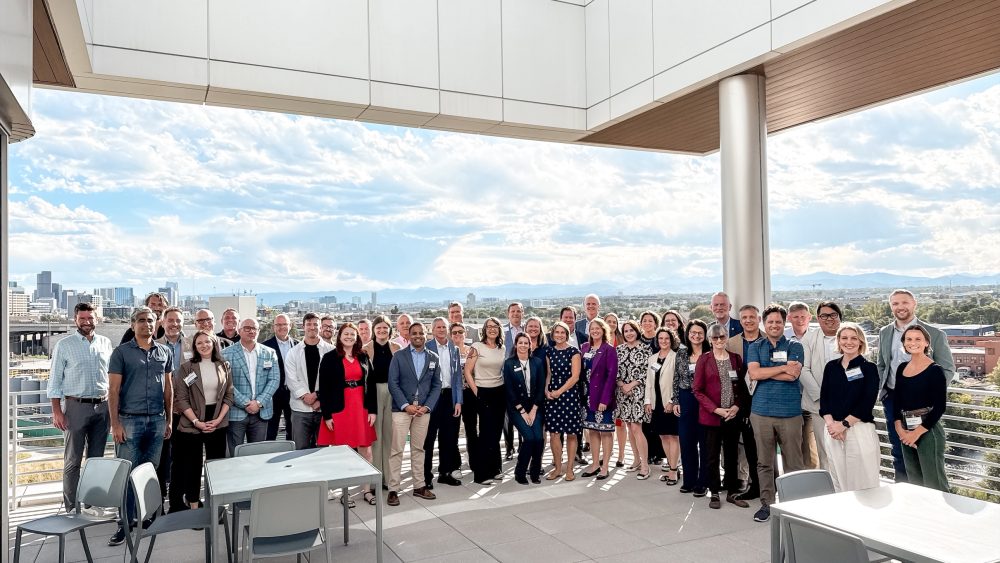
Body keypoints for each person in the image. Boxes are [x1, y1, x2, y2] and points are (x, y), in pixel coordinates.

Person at [107, 307, 174, 546]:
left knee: (150, 472)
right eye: (142, 321)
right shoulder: (121, 353)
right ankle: (124, 523)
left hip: (156, 420)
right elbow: (113, 390)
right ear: (133, 325)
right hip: (129, 420)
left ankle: (145, 518)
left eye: (151, 321)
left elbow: (169, 388)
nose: (147, 324)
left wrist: (169, 420)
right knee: (127, 474)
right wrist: (115, 423)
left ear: (157, 325)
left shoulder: (165, 352)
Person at [876, 289, 954, 483]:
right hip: (893, 400)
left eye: (905, 302)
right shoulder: (885, 332)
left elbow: (947, 369)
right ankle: (905, 497)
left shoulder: (934, 334)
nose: (900, 307)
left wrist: (929, 395)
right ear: (891, 306)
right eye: (895, 304)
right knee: (899, 451)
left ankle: (931, 501)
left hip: (922, 406)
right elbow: (882, 365)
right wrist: (883, 393)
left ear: (914, 304)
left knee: (927, 454)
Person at [48, 302, 113, 512]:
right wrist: (57, 411)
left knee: (96, 460)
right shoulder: (64, 345)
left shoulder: (105, 343)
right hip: (75, 407)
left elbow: (111, 378)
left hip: (102, 408)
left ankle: (92, 504)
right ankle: (72, 508)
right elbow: (54, 381)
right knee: (73, 461)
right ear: (75, 320)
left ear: (97, 319)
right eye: (82, 318)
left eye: (90, 318)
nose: (87, 322)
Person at [747, 303, 806, 523]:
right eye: (770, 321)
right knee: (764, 462)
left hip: (790, 412)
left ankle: (794, 505)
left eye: (778, 322)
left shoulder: (795, 346)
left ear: (784, 323)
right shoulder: (755, 346)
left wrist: (765, 371)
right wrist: (781, 367)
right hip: (761, 411)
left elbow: (793, 376)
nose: (774, 325)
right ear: (764, 323)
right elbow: (753, 373)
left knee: (794, 462)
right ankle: (767, 504)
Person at [171, 331, 233, 511]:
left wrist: (219, 419)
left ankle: (216, 506)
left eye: (207, 342)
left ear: (214, 343)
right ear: (195, 347)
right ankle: (194, 505)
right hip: (192, 420)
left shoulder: (224, 365)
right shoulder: (186, 367)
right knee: (193, 466)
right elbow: (181, 399)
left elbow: (229, 395)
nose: (204, 345)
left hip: (217, 420)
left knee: (216, 465)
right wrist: (196, 421)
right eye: (199, 343)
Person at [318, 323, 378, 505]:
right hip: (339, 410)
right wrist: (327, 415)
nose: (349, 337)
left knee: (366, 450)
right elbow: (324, 389)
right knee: (342, 453)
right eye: (346, 333)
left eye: (353, 334)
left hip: (361, 408)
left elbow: (372, 384)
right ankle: (346, 493)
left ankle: (367, 491)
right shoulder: (329, 358)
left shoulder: (363, 356)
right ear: (340, 336)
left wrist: (373, 410)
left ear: (357, 336)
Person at [693, 324, 752, 510]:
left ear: (726, 338)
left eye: (722, 337)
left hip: (732, 416)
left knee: (732, 454)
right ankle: (715, 492)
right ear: (710, 340)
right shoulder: (704, 360)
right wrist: (715, 409)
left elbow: (742, 388)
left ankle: (732, 492)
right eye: (715, 338)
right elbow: (697, 390)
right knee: (711, 455)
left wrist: (736, 407)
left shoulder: (735, 359)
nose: (719, 340)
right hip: (712, 417)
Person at [819, 323, 880, 492]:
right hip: (832, 430)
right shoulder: (831, 367)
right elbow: (824, 400)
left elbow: (867, 403)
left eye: (854, 338)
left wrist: (844, 425)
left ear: (861, 341)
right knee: (838, 481)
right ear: (838, 341)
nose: (849, 342)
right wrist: (832, 426)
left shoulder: (869, 368)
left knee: (863, 482)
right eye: (844, 338)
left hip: (858, 429)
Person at [386, 322, 441, 505]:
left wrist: (427, 406)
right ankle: (393, 489)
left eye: (421, 333)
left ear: (426, 335)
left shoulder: (433, 357)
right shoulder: (399, 357)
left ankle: (419, 485)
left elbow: (436, 385)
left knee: (419, 449)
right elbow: (393, 383)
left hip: (423, 411)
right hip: (401, 410)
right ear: (408, 336)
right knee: (397, 450)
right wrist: (404, 405)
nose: (417, 336)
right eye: (414, 333)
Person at [894, 324, 949, 492]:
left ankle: (944, 518)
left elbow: (940, 407)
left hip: (927, 431)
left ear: (926, 343)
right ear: (904, 343)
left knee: (935, 484)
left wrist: (916, 433)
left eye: (918, 339)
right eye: (909, 339)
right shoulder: (901, 368)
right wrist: (901, 431)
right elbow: (897, 401)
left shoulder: (935, 371)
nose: (913, 342)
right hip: (905, 430)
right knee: (915, 483)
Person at [222, 318, 280, 454]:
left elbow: (274, 379)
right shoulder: (226, 354)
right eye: (247, 328)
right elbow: (225, 383)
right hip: (236, 412)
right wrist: (245, 403)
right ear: (239, 331)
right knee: (235, 454)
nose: (251, 331)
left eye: (255, 328)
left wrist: (259, 402)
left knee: (258, 454)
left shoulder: (269, 353)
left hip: (261, 412)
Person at [800, 301, 844, 472]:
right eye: (824, 315)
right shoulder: (809, 338)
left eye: (833, 315)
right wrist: (821, 397)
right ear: (818, 319)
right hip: (818, 404)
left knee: (847, 447)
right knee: (824, 449)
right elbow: (803, 369)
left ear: (839, 317)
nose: (829, 319)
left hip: (847, 404)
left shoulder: (848, 335)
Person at [464, 317, 507, 485]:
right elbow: (468, 371)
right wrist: (477, 392)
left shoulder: (501, 348)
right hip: (483, 392)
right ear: (484, 329)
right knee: (485, 434)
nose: (492, 329)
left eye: (495, 326)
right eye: (489, 327)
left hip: (499, 391)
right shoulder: (476, 347)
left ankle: (495, 468)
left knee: (496, 433)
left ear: (499, 330)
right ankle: (481, 474)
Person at [155, 307, 191, 508]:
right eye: (170, 320)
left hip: (185, 411)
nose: (174, 324)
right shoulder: (154, 345)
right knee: (160, 458)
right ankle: (157, 502)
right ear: (162, 322)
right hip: (161, 410)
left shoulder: (192, 344)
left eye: (178, 320)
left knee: (181, 459)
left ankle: (177, 501)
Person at [424, 317, 464, 487]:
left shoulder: (453, 349)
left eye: (443, 327)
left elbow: (456, 378)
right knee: (429, 438)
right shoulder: (425, 348)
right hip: (432, 398)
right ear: (432, 330)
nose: (441, 330)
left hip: (449, 397)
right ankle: (426, 476)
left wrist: (458, 401)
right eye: (438, 327)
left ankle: (445, 473)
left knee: (448, 438)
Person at [361, 316, 401, 488]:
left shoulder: (397, 348)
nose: (382, 331)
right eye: (379, 328)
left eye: (385, 328)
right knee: (375, 436)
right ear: (374, 330)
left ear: (390, 330)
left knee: (389, 436)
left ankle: (388, 478)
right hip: (374, 392)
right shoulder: (365, 349)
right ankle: (375, 476)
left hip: (393, 392)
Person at [285, 313, 335, 450]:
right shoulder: (293, 352)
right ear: (303, 327)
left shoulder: (332, 351)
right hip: (300, 410)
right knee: (300, 449)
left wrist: (318, 397)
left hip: (323, 409)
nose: (312, 327)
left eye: (315, 324)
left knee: (323, 450)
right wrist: (306, 397)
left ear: (320, 327)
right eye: (309, 324)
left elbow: (334, 380)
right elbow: (291, 379)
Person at [503, 333, 547, 484]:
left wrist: (534, 410)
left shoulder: (537, 362)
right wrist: (522, 411)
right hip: (517, 408)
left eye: (525, 343)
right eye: (520, 343)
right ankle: (520, 472)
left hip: (535, 406)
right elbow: (509, 390)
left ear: (530, 345)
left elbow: (541, 387)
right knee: (529, 439)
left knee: (539, 439)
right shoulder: (509, 364)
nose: (523, 345)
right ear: (516, 345)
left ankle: (535, 473)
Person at [544, 321, 583, 481]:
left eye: (562, 332)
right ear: (552, 334)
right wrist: (547, 390)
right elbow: (549, 374)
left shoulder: (574, 352)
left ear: (567, 334)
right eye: (557, 332)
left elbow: (575, 377)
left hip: (569, 395)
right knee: (554, 434)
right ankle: (558, 468)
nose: (559, 335)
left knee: (571, 434)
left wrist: (559, 391)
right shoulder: (549, 352)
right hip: (552, 396)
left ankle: (570, 469)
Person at [677, 319, 711, 496]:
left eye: (699, 333)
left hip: (705, 401)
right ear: (687, 334)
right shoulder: (681, 353)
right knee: (686, 441)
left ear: (705, 335)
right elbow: (676, 378)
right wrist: (675, 401)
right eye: (693, 332)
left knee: (705, 443)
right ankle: (688, 480)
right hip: (686, 399)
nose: (696, 336)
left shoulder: (710, 354)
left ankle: (703, 482)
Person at [580, 319, 618, 480]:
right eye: (592, 328)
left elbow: (611, 376)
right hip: (587, 397)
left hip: (602, 397)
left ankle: (605, 466)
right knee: (593, 430)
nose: (594, 331)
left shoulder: (609, 350)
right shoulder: (585, 347)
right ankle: (595, 464)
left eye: (598, 328)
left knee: (605, 432)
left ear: (604, 331)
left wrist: (605, 399)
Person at [614, 320, 652, 480]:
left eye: (631, 330)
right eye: (626, 331)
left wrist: (632, 385)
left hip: (638, 392)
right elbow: (613, 370)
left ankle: (645, 465)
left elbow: (648, 371)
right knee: (629, 426)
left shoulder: (646, 349)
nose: (629, 333)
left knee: (637, 428)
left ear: (637, 331)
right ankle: (636, 460)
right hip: (622, 392)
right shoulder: (619, 349)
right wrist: (622, 384)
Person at [646, 328, 682, 485]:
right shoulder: (652, 358)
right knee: (662, 436)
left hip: (670, 403)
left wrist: (673, 401)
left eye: (667, 338)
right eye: (660, 338)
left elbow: (679, 381)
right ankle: (671, 466)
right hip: (657, 403)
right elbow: (649, 381)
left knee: (673, 436)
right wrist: (648, 401)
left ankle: (674, 470)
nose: (663, 341)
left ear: (671, 339)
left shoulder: (677, 357)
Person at [786, 302, 819, 469]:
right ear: (789, 317)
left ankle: (811, 482)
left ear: (809, 317)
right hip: (788, 400)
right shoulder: (782, 337)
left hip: (810, 399)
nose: (800, 320)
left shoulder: (816, 337)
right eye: (796, 317)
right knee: (790, 445)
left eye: (803, 317)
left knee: (809, 444)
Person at [261, 313, 298, 442]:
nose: (281, 327)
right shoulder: (264, 347)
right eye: (278, 325)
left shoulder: (299, 346)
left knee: (293, 430)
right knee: (270, 431)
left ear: (290, 326)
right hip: (273, 395)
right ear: (273, 327)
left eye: (284, 324)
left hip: (294, 394)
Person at [637, 310, 665, 465]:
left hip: (659, 382)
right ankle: (647, 453)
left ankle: (658, 453)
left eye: (650, 320)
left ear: (656, 322)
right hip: (642, 385)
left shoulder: (659, 339)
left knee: (656, 418)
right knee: (645, 421)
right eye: (644, 320)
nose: (647, 323)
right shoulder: (639, 340)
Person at [502, 302, 525, 460]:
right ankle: (509, 448)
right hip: (505, 378)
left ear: (522, 313)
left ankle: (524, 446)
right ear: (508, 314)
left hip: (524, 379)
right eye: (513, 311)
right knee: (507, 416)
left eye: (519, 311)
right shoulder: (502, 331)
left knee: (524, 413)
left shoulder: (527, 330)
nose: (516, 314)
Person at [604, 312, 626, 466]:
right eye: (609, 321)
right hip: (605, 387)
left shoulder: (622, 340)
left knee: (620, 423)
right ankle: (608, 453)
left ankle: (621, 454)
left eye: (614, 321)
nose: (612, 324)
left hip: (619, 386)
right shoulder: (599, 341)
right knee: (606, 423)